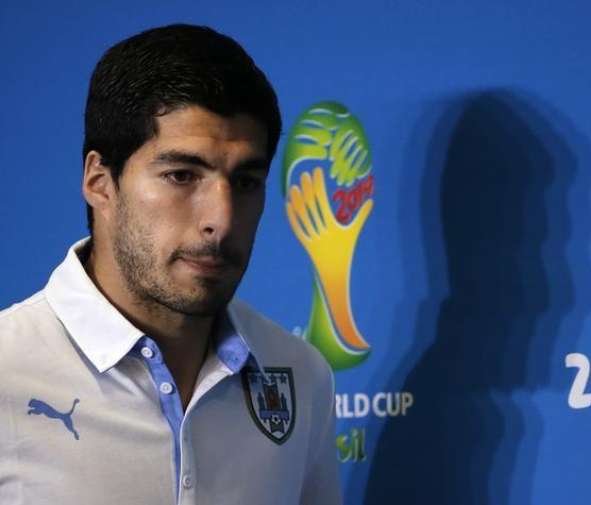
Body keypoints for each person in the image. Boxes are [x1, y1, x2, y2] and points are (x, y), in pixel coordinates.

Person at [0, 24, 341, 505]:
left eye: (245, 182)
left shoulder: (302, 374)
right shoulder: (8, 369)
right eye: (182, 175)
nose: (220, 221)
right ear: (100, 182)